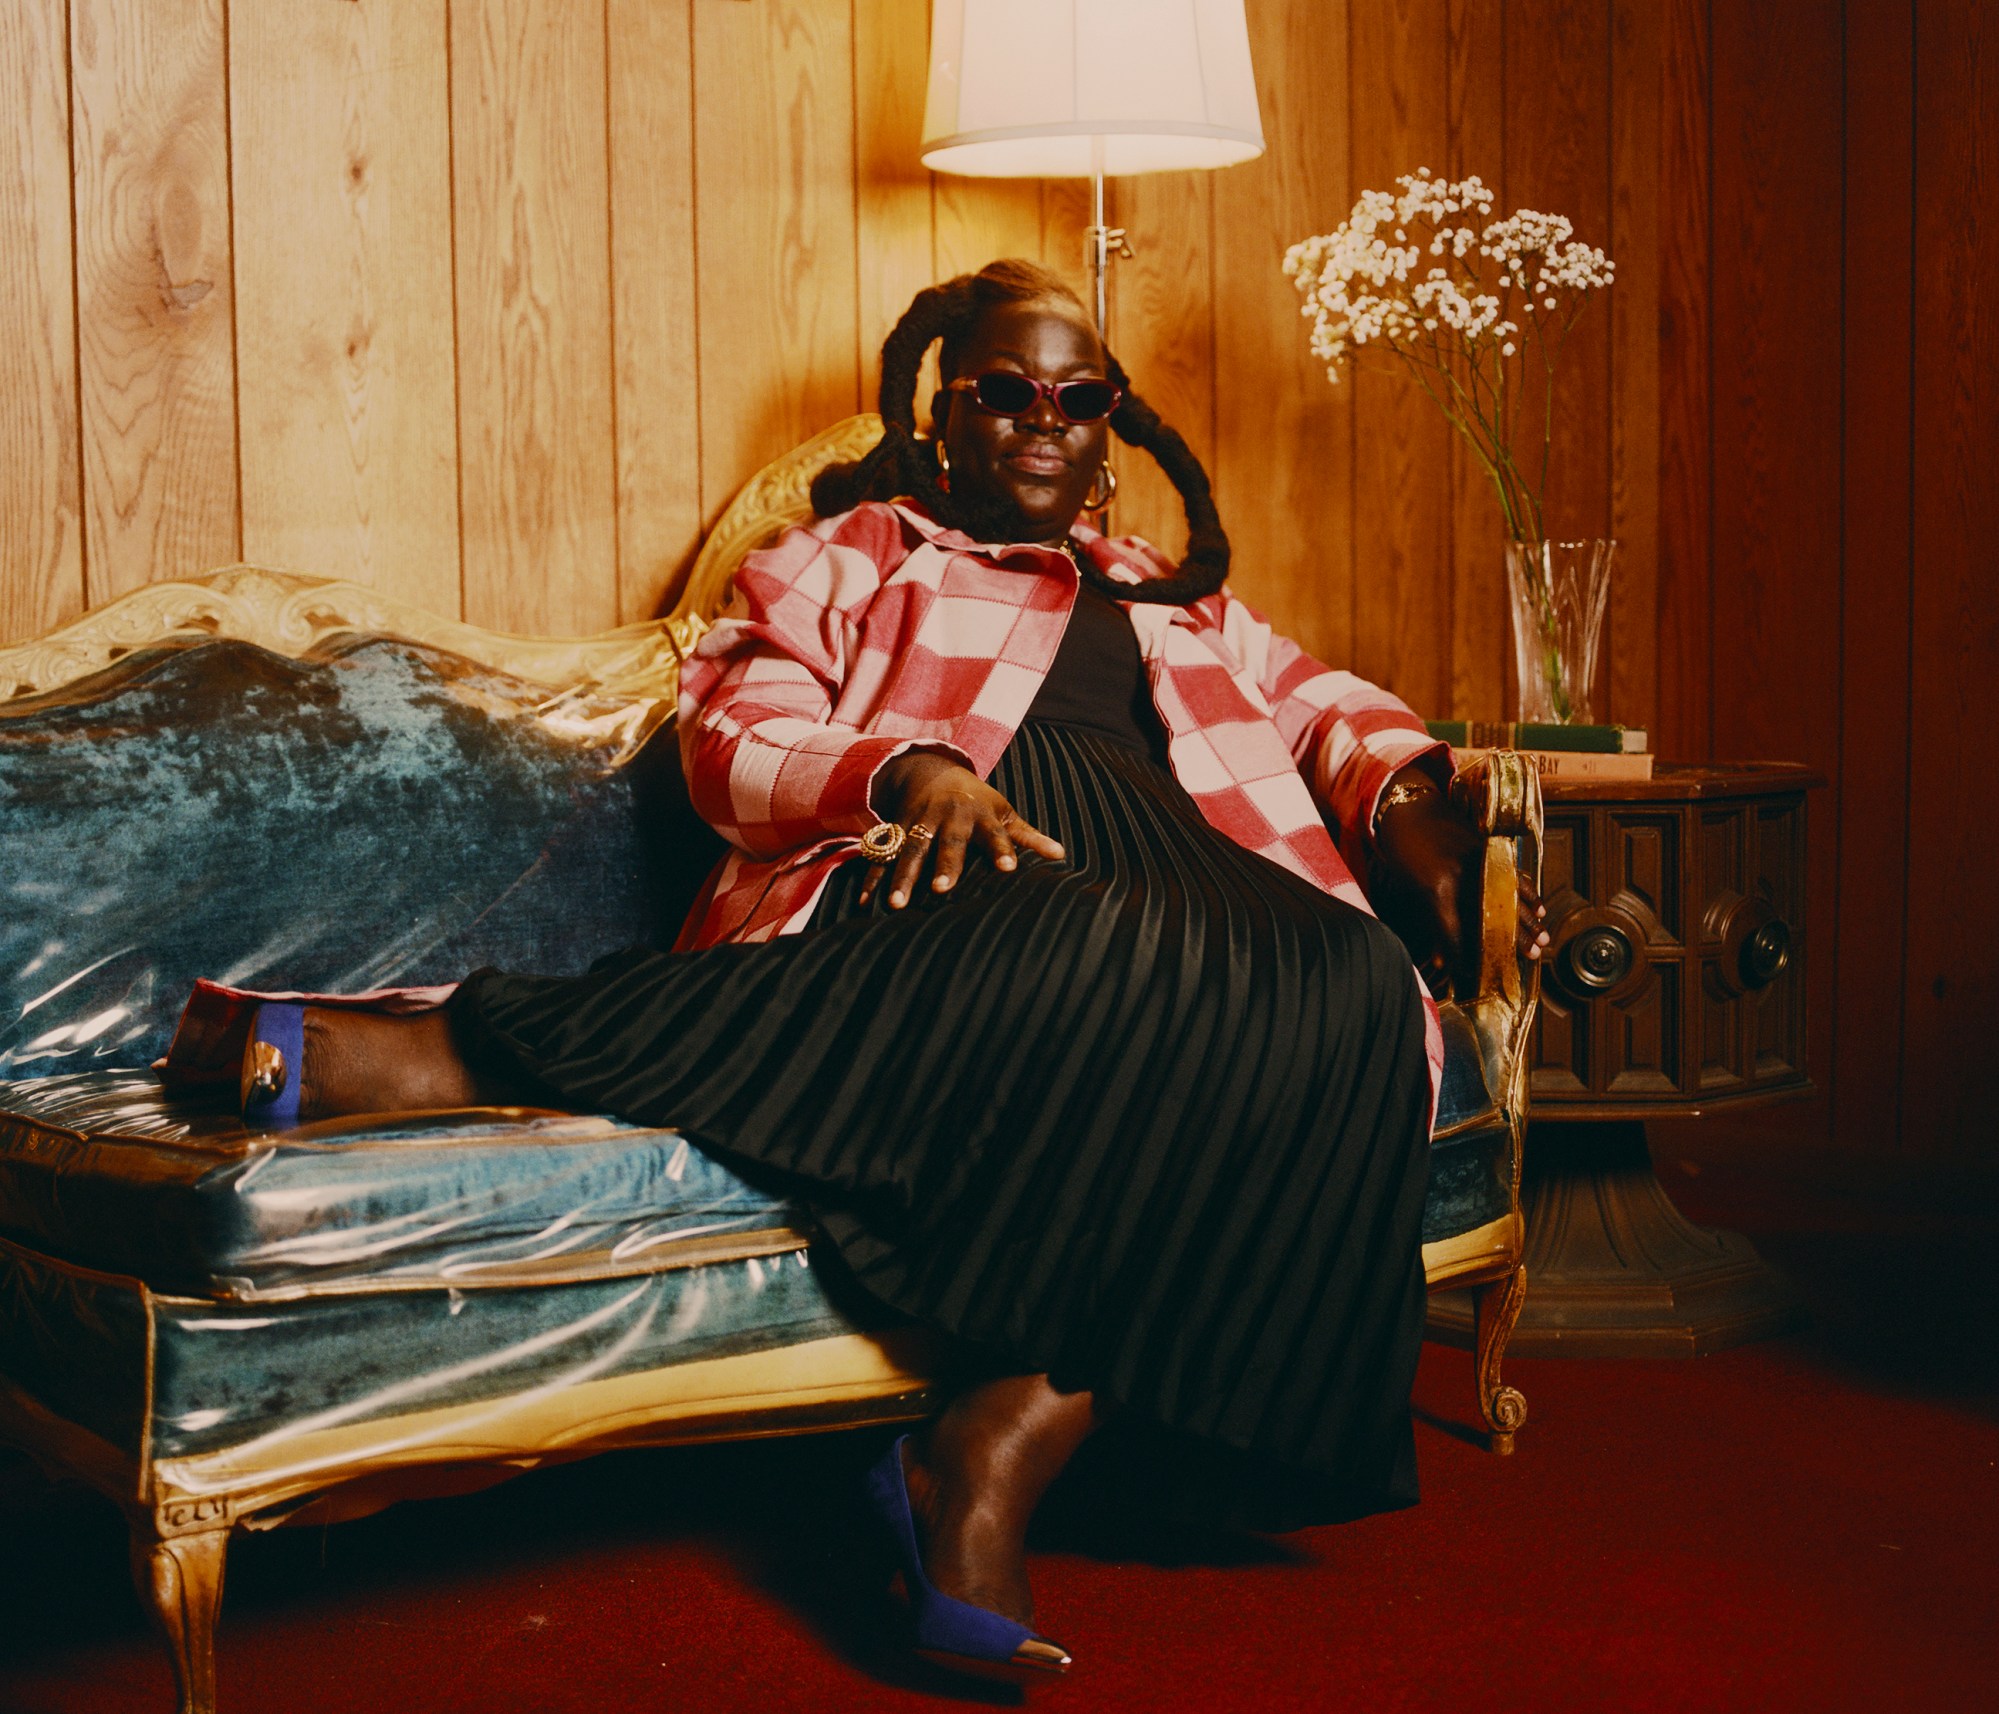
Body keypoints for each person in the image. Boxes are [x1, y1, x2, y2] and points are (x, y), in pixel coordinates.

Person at [239, 259, 1547, 1683]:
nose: (1043, 419)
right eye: (1006, 391)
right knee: (1080, 925)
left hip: (1201, 881)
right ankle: (475, 1055)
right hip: (959, 870)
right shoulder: (851, 554)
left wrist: (1423, 823)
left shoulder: (1180, 601)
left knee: (1359, 978)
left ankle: (1004, 1424)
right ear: (945, 408)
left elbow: (1332, 713)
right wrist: (907, 770)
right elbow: (731, 735)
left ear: (1111, 430)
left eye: (1078, 397)